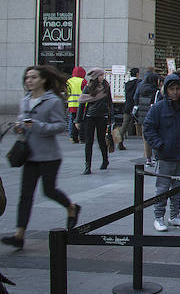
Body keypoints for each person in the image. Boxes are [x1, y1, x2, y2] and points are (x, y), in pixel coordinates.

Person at [1, 66, 81, 249]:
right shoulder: (25, 100)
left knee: (49, 191)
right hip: (29, 155)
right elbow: (22, 123)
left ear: (43, 80)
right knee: (25, 196)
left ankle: (71, 207)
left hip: (49, 156)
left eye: (34, 77)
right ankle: (19, 234)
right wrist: (18, 127)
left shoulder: (52, 101)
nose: (29, 80)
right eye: (27, 77)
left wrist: (36, 125)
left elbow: (59, 126)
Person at [142, 74, 180, 231]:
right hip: (166, 155)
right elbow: (148, 127)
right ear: (166, 90)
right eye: (172, 89)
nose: (175, 92)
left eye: (178, 89)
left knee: (178, 188)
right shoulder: (158, 108)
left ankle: (174, 215)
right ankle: (159, 217)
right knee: (162, 188)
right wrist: (159, 145)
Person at [75, 68, 113, 174]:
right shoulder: (88, 87)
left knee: (101, 140)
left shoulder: (106, 87)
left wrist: (111, 118)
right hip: (90, 117)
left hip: (103, 116)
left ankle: (105, 160)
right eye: (101, 75)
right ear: (96, 76)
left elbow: (110, 103)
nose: (103, 77)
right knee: (89, 141)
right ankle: (88, 165)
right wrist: (78, 120)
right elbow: (82, 103)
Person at [135, 71, 162, 167]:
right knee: (154, 136)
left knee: (146, 138)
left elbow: (136, 99)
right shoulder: (155, 91)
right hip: (152, 115)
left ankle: (148, 158)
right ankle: (154, 157)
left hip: (142, 116)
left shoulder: (141, 88)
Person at [118, 67, 140, 151]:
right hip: (135, 106)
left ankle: (119, 142)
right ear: (137, 74)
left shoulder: (127, 83)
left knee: (125, 124)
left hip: (127, 105)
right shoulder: (138, 83)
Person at [66, 66, 86, 144]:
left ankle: (73, 137)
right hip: (81, 104)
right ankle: (82, 138)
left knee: (73, 120)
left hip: (72, 104)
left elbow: (68, 92)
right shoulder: (83, 81)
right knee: (81, 121)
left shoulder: (69, 81)